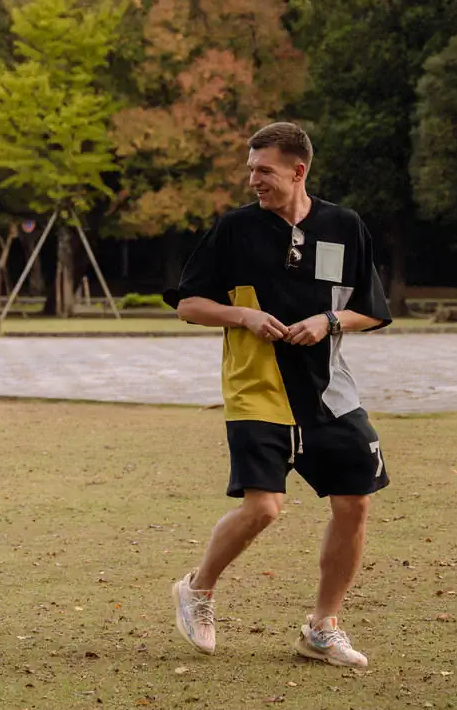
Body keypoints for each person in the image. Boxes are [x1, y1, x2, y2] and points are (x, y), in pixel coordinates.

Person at [163, 121, 392, 667]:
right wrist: (240, 314)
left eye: (263, 170)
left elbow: (374, 309)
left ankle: (321, 628)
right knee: (264, 508)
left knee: (354, 502)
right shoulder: (234, 231)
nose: (252, 180)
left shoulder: (345, 225)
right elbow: (188, 304)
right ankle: (198, 589)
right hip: (256, 389)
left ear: (298, 170)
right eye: (250, 169)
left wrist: (329, 321)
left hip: (329, 393)